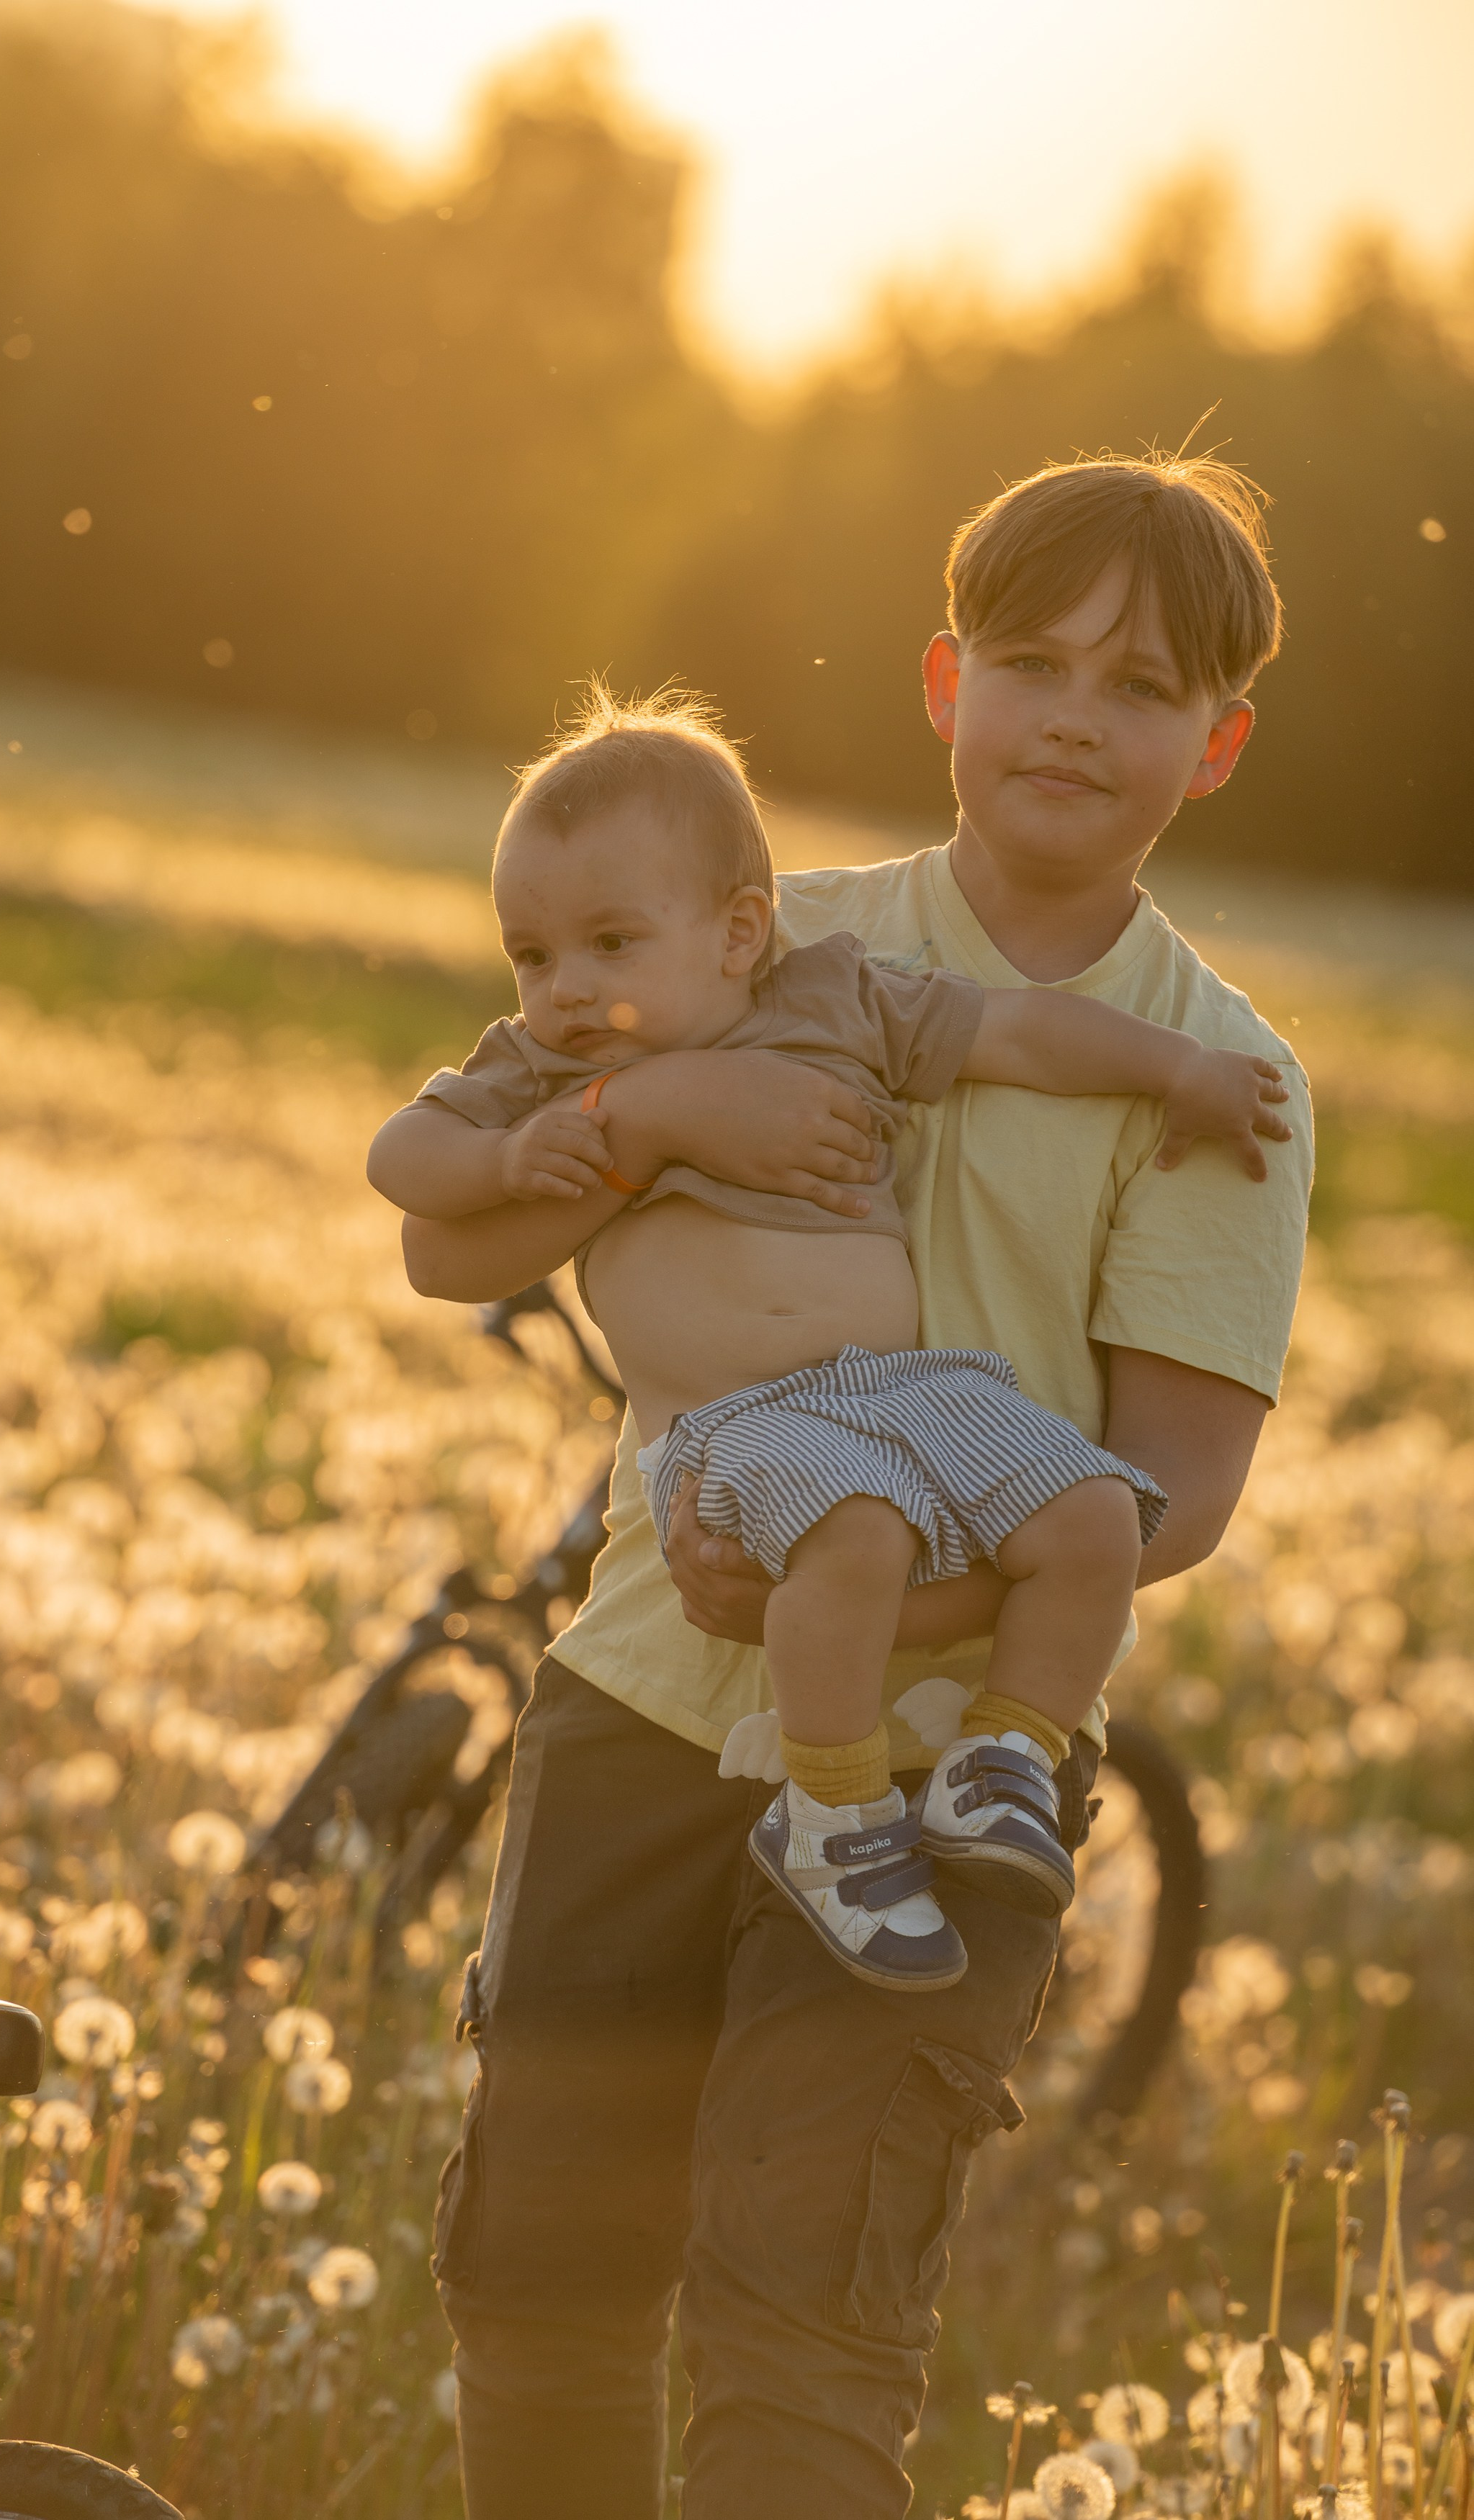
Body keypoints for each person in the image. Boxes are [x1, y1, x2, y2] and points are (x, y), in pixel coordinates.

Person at [400, 454, 1314, 2520]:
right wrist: (662, 1103)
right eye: (1030, 661)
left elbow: (1171, 1487)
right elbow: (451, 1235)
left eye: (1140, 685)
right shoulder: (754, 932)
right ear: (942, 683)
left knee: (804, 2328)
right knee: (539, 2275)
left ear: (1216, 743)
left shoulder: (1215, 1071)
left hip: (947, 1767)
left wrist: (880, 1601)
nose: (1071, 715)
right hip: (642, 1694)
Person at [369, 696, 1291, 1994]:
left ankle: (1002, 1759)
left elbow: (1018, 1034)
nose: (566, 986)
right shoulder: (547, 1073)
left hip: (906, 1393)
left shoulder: (831, 990)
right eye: (531, 955)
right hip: (743, 1428)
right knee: (855, 1533)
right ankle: (837, 1812)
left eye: (608, 944)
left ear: (740, 932)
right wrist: (537, 1147)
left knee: (1097, 1510)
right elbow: (405, 1164)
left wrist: (1174, 1070)